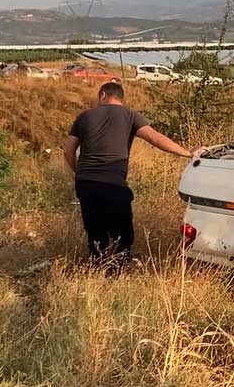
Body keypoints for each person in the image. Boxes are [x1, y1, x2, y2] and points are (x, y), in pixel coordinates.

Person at [64, 81, 191, 263]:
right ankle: (118, 267)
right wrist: (187, 153)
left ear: (102, 95)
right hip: (113, 184)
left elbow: (68, 151)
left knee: (95, 231)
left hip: (86, 183)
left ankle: (96, 266)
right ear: (122, 99)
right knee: (121, 231)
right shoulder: (131, 115)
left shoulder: (84, 116)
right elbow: (155, 138)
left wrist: (79, 174)